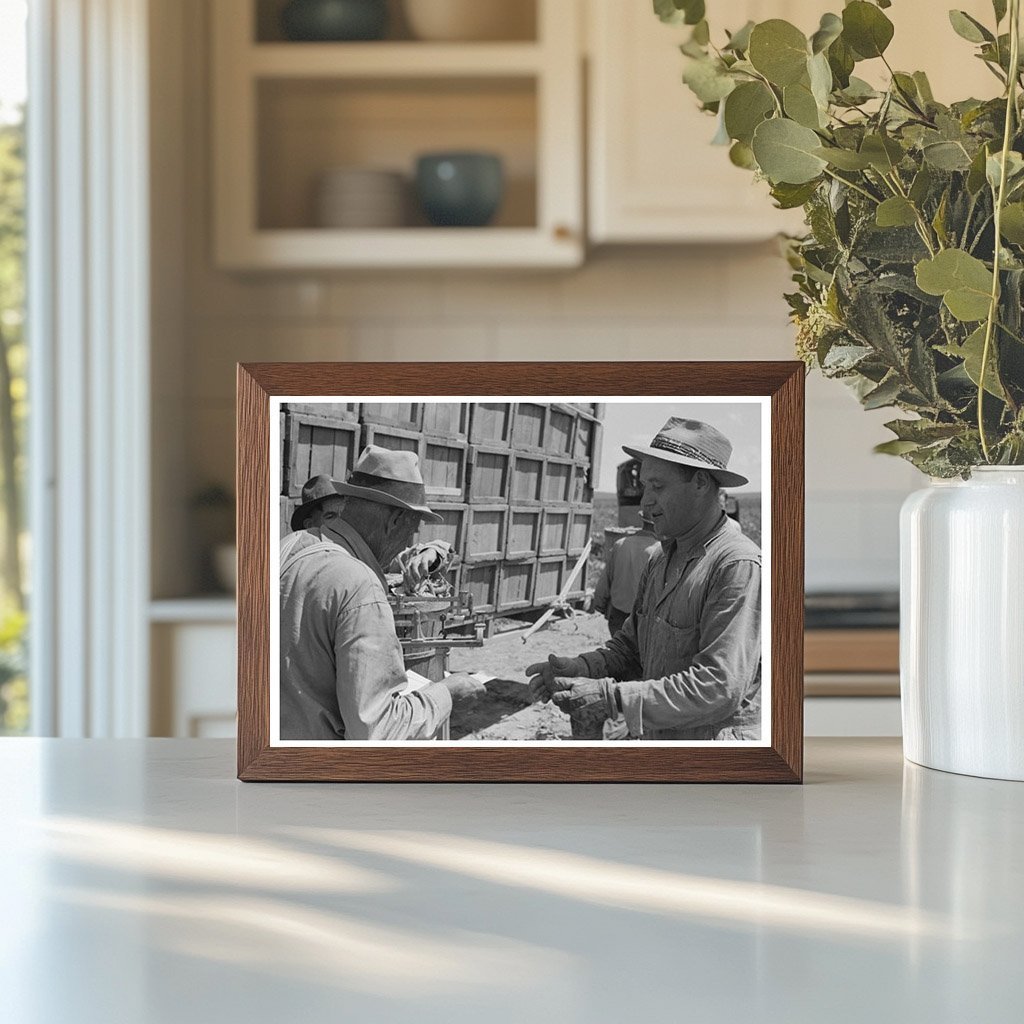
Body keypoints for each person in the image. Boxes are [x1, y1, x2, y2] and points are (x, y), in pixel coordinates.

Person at [527, 417, 761, 741]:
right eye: (644, 486)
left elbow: (719, 687)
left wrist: (611, 697)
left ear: (700, 483)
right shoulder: (659, 560)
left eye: (658, 487)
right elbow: (631, 650)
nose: (645, 500)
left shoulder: (735, 565)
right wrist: (583, 667)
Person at [280, 446, 484, 740]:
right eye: (412, 531)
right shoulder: (359, 585)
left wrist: (432, 553)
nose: (407, 542)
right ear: (395, 520)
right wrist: (447, 694)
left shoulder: (288, 545)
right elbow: (377, 729)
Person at [291, 473, 455, 590]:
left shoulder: (366, 551)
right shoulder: (309, 565)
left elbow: (404, 555)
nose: (341, 523)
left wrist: (431, 552)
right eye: (331, 516)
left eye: (344, 514)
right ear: (309, 525)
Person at [591, 515, 661, 636]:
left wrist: (599, 604)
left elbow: (606, 579)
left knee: (618, 646)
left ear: (643, 522)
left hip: (618, 614)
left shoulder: (620, 544)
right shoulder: (659, 551)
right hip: (643, 618)